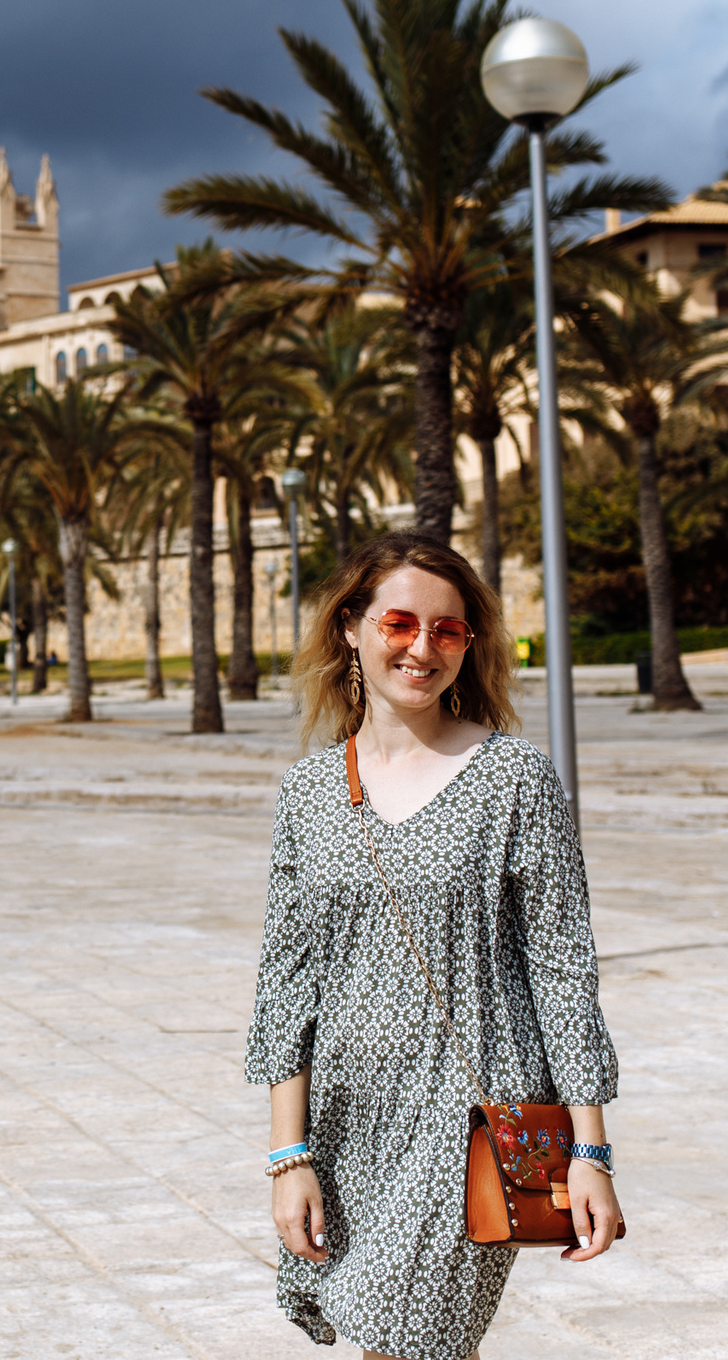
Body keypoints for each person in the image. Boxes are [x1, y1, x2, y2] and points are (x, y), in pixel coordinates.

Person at [247, 531, 621, 1358]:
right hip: (348, 1121)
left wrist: (591, 1150)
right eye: (401, 623)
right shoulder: (309, 793)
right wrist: (286, 1154)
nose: (423, 647)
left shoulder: (515, 778)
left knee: (406, 1341)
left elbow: (563, 970)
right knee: (413, 1344)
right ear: (351, 625)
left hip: (470, 1117)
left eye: (448, 630)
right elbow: (286, 984)